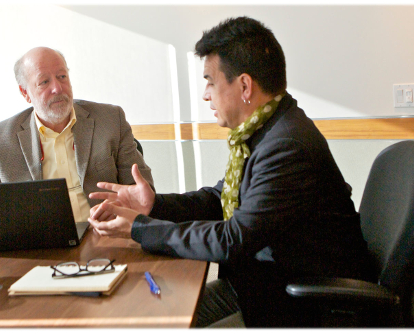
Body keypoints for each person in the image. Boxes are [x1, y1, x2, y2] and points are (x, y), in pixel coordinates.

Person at [87, 17, 374, 327]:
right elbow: (218, 198)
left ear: (245, 85)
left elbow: (232, 239)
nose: (205, 94)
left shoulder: (286, 146)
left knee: (163, 322)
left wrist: (140, 228)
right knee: (158, 316)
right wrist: (154, 205)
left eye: (210, 81)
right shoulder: (266, 130)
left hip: (295, 303)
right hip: (260, 282)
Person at [0, 47, 154, 224]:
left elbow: (142, 190)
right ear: (25, 93)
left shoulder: (110, 120)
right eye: (44, 82)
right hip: (40, 243)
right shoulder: (1, 139)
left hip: (106, 233)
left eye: (62, 77)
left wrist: (123, 210)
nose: (57, 88)